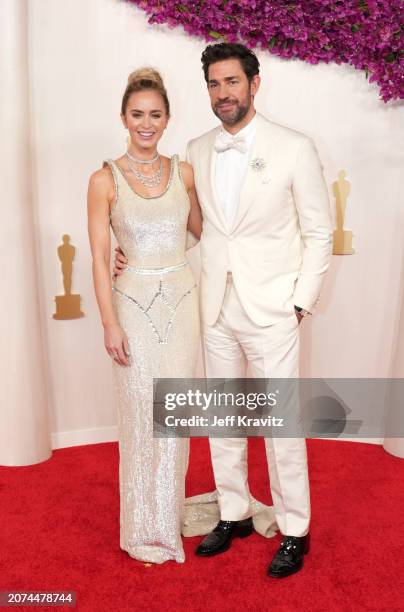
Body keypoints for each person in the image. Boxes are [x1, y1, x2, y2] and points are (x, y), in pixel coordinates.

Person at [114, 43, 333, 578]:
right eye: (214, 84)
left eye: (232, 82)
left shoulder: (295, 147)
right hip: (212, 306)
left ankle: (295, 528)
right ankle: (233, 512)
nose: (223, 94)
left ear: (255, 84)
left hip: (273, 307)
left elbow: (319, 230)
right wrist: (127, 248)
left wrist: (300, 301)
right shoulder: (196, 150)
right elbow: (186, 226)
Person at [87, 68, 202, 564]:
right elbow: (97, 256)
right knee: (139, 416)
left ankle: (167, 515)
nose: (147, 123)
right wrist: (108, 321)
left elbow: (200, 231)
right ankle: (142, 527)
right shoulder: (102, 179)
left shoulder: (185, 172)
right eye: (138, 114)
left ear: (168, 119)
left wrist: (163, 255)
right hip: (131, 308)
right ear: (123, 118)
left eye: (156, 114)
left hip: (182, 302)